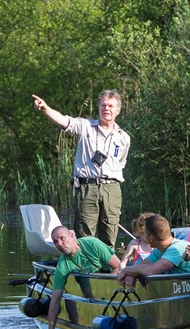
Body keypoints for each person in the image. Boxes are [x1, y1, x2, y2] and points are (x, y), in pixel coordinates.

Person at [32, 90, 130, 246]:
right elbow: (63, 121)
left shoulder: (123, 137)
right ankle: (87, 266)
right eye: (103, 105)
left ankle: (108, 267)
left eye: (111, 106)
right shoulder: (86, 126)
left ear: (118, 110)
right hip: (87, 186)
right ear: (98, 107)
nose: (107, 109)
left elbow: (121, 163)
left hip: (112, 188)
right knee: (85, 233)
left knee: (110, 232)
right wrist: (45, 108)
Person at [45, 226, 122, 329]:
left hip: (109, 288)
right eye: (55, 241)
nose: (60, 244)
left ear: (71, 235)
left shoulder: (92, 244)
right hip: (89, 294)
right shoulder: (63, 265)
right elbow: (54, 302)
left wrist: (105, 291)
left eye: (62, 238)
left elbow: (119, 266)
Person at [117, 215, 190, 289]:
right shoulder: (159, 249)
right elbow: (143, 265)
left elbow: (151, 271)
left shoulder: (178, 248)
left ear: (150, 238)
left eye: (144, 234)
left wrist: (126, 270)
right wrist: (131, 274)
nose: (143, 237)